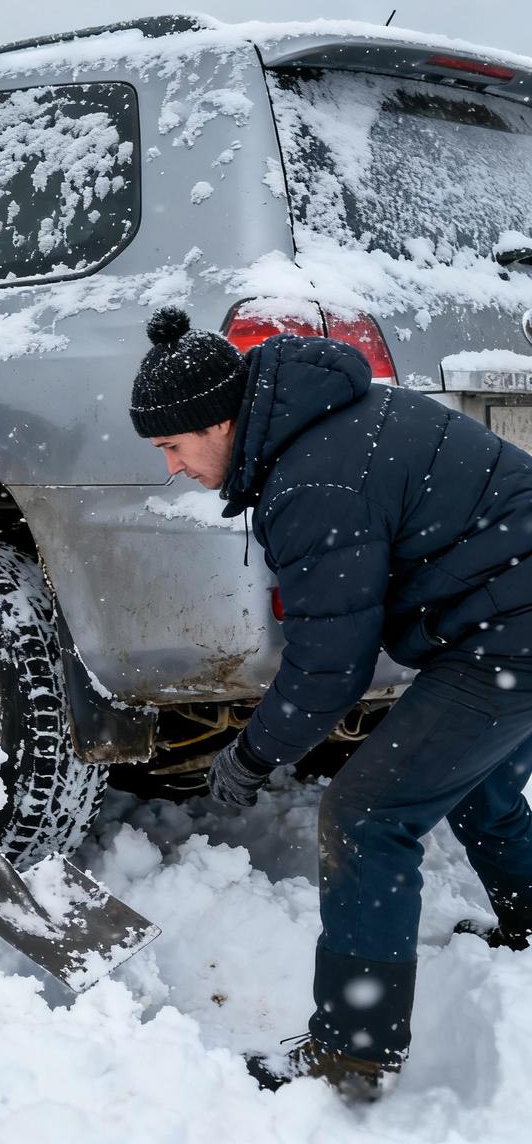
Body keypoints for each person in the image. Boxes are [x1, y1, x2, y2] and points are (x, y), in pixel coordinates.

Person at [129, 305, 532, 1101]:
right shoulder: (328, 423)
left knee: (366, 816)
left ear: (218, 423)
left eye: (173, 446)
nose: (172, 466)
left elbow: (329, 668)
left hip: (510, 632)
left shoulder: (312, 480)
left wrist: (252, 754)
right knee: (472, 778)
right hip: (508, 615)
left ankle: (354, 1051)